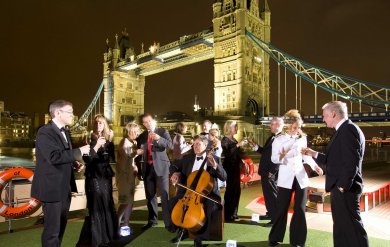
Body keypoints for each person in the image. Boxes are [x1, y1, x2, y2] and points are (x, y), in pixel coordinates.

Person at [303, 101, 369, 247]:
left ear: (333, 114)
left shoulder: (347, 130)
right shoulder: (344, 130)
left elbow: (351, 162)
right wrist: (313, 153)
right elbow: (332, 159)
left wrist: (342, 186)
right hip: (341, 188)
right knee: (341, 228)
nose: (323, 119)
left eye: (324, 116)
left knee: (352, 229)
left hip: (345, 190)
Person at [31, 99, 90, 247]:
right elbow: (53, 157)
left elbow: (62, 155)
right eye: (69, 112)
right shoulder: (45, 131)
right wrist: (80, 151)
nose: (73, 115)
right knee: (52, 232)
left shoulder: (65, 131)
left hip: (63, 189)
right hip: (51, 189)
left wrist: (73, 163)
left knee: (60, 228)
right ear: (58, 113)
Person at [268, 110, 323, 247]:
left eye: (299, 127)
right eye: (295, 127)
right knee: (282, 208)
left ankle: (298, 241)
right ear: (287, 125)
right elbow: (274, 159)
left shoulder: (302, 138)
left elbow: (306, 156)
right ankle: (275, 237)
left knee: (300, 208)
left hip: (300, 177)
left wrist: (315, 166)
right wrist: (283, 155)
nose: (297, 129)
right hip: (285, 178)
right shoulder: (278, 139)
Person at [169, 135, 227, 247]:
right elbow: (173, 166)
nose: (195, 146)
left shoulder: (214, 159)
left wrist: (215, 165)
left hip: (207, 193)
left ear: (206, 146)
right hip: (188, 193)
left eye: (198, 144)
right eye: (194, 144)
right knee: (172, 202)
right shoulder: (187, 158)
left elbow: (224, 177)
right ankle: (181, 230)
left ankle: (199, 238)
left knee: (210, 206)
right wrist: (175, 173)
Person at [77, 114, 117, 247]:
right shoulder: (88, 139)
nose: (98, 125)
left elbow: (111, 158)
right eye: (96, 123)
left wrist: (110, 142)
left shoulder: (108, 140)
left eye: (101, 123)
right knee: (95, 207)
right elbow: (87, 159)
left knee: (106, 205)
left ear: (105, 125)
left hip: (105, 176)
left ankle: (106, 237)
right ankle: (95, 240)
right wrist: (96, 146)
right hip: (93, 176)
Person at [135, 113, 174, 232]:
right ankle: (152, 221)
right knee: (150, 196)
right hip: (147, 169)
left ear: (153, 121)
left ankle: (168, 222)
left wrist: (159, 139)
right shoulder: (141, 136)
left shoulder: (162, 131)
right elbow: (138, 156)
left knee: (164, 195)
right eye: (145, 122)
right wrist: (139, 168)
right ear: (143, 124)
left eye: (150, 121)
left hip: (162, 168)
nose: (148, 124)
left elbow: (170, 145)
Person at [248, 117, 284, 227]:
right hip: (265, 172)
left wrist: (272, 171)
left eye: (272, 124)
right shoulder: (272, 137)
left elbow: (281, 156)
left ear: (278, 125)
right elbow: (265, 152)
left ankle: (275, 219)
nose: (269, 126)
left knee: (273, 195)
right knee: (268, 195)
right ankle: (270, 214)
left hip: (271, 173)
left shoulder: (282, 138)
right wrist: (255, 147)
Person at [116, 122, 143, 237]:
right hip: (123, 176)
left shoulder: (134, 142)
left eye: (138, 132)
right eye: (135, 131)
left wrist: (135, 165)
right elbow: (127, 155)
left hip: (131, 176)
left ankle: (126, 225)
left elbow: (131, 159)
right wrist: (135, 153)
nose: (137, 134)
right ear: (129, 132)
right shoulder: (124, 142)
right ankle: (116, 224)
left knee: (130, 201)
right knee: (124, 201)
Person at [221, 120, 247, 221]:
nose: (236, 128)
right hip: (229, 168)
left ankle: (234, 213)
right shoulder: (225, 140)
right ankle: (227, 215)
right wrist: (237, 145)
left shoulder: (234, 140)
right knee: (230, 191)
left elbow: (237, 154)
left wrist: (242, 150)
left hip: (235, 167)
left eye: (236, 126)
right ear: (228, 128)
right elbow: (227, 154)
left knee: (237, 190)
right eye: (235, 126)